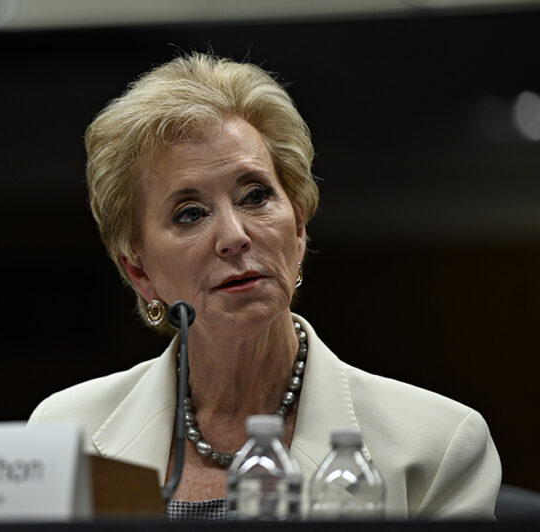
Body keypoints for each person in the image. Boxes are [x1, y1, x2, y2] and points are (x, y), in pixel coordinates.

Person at [27, 52, 500, 520]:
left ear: (298, 228)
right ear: (139, 272)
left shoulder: (436, 446)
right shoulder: (68, 432)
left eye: (255, 196)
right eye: (189, 213)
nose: (234, 237)